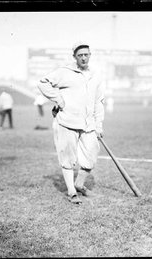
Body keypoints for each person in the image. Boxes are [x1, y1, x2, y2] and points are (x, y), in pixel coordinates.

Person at [37, 42, 105, 204]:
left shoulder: (95, 75)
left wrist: (99, 124)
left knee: (91, 154)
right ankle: (71, 191)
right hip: (67, 121)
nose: (83, 57)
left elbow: (99, 101)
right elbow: (43, 83)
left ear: (90, 55)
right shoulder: (64, 72)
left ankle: (80, 184)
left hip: (88, 124)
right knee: (67, 157)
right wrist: (58, 99)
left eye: (86, 54)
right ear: (74, 56)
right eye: (80, 55)